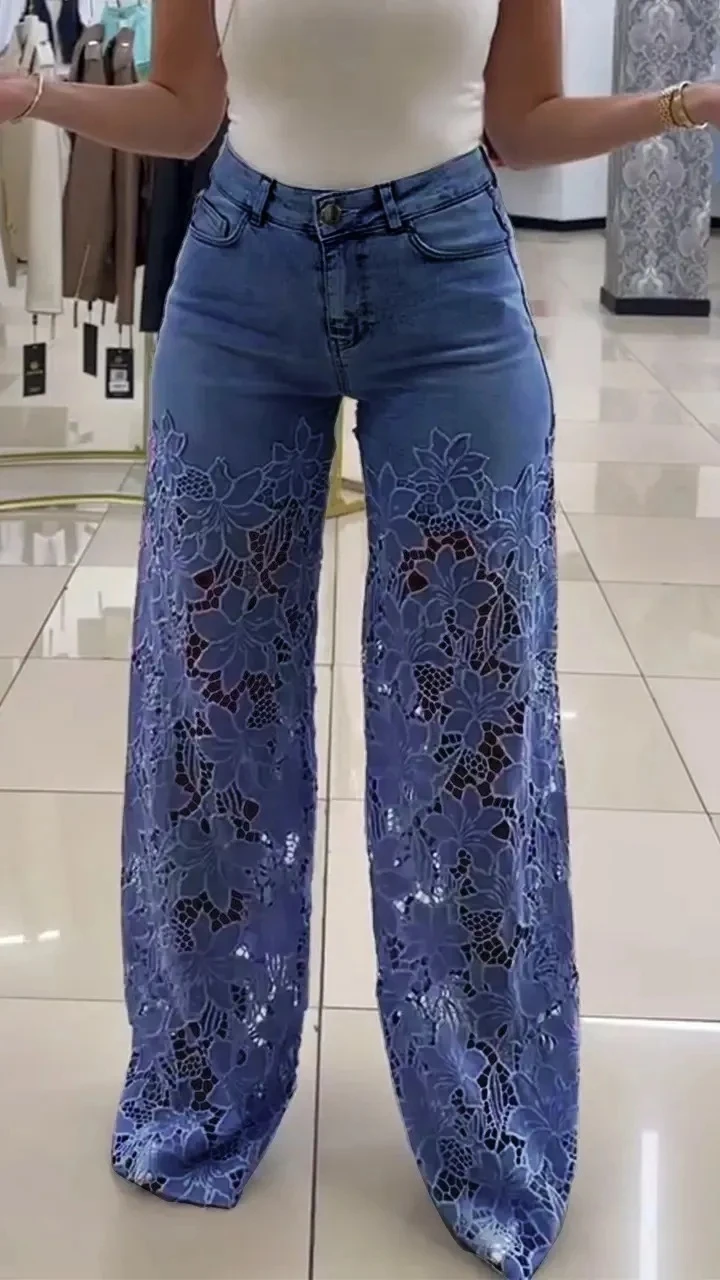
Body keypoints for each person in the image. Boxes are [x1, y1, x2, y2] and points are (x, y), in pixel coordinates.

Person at [4, 3, 720, 1275]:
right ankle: (200, 1087)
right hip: (241, 272)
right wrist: (37, 98)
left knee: (472, 727)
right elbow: (185, 109)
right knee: (212, 719)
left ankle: (490, 1120)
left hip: (449, 280)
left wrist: (683, 106)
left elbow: (522, 125)